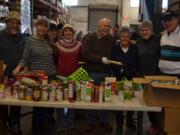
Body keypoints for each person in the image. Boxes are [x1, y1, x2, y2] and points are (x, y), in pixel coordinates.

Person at [13, 19, 56, 133]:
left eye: (45, 26)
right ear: (36, 26)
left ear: (47, 29)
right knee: (38, 104)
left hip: (50, 75)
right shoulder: (29, 40)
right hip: (36, 77)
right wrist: (18, 68)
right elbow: (25, 58)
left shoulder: (49, 41)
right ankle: (37, 129)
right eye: (40, 25)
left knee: (47, 103)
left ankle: (44, 125)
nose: (42, 28)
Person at [82, 18, 113, 132]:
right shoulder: (90, 37)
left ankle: (104, 120)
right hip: (92, 73)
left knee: (106, 97)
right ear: (99, 26)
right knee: (91, 97)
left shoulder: (110, 39)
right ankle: (90, 122)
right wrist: (100, 59)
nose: (106, 28)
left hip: (106, 73)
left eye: (108, 26)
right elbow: (85, 54)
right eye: (104, 26)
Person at [0, 11, 25, 135]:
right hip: (1, 76)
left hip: (17, 76)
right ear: (7, 23)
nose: (15, 25)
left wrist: (23, 68)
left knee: (17, 102)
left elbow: (25, 56)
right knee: (2, 102)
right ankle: (3, 124)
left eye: (17, 23)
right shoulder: (0, 36)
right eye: (12, 22)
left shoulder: (22, 37)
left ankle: (15, 124)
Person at [111, 27, 139, 131]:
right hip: (118, 78)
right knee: (118, 101)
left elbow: (137, 62)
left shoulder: (134, 48)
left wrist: (131, 71)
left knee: (130, 100)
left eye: (127, 37)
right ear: (119, 37)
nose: (125, 38)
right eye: (123, 36)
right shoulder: (115, 48)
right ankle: (119, 122)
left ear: (130, 37)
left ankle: (129, 120)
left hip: (131, 78)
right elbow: (112, 62)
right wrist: (120, 70)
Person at [136, 21, 160, 135]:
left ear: (151, 30)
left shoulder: (158, 40)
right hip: (143, 77)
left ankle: (158, 124)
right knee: (147, 102)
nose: (144, 32)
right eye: (142, 30)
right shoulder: (138, 42)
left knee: (156, 102)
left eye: (147, 30)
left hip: (156, 76)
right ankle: (153, 124)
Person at [56, 24, 82, 132]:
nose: (68, 33)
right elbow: (55, 59)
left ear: (73, 32)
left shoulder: (79, 45)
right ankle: (61, 124)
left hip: (73, 76)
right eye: (65, 31)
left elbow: (81, 59)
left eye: (70, 31)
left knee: (72, 100)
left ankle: (70, 122)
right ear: (62, 33)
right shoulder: (57, 45)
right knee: (59, 100)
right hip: (60, 76)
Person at [159, 10, 180, 78]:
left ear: (176, 20)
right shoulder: (163, 34)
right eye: (164, 21)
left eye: (170, 20)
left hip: (177, 75)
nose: (167, 23)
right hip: (162, 74)